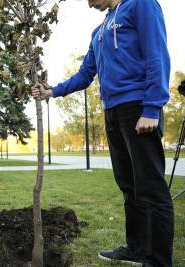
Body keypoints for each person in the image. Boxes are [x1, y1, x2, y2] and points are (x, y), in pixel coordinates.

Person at [31, 0, 173, 266]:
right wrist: (52, 91)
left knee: (151, 188)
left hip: (138, 107)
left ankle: (158, 260)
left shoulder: (141, 5)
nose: (88, 4)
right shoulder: (99, 30)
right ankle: (136, 248)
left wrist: (152, 107)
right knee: (128, 186)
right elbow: (86, 73)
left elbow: (157, 55)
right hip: (112, 111)